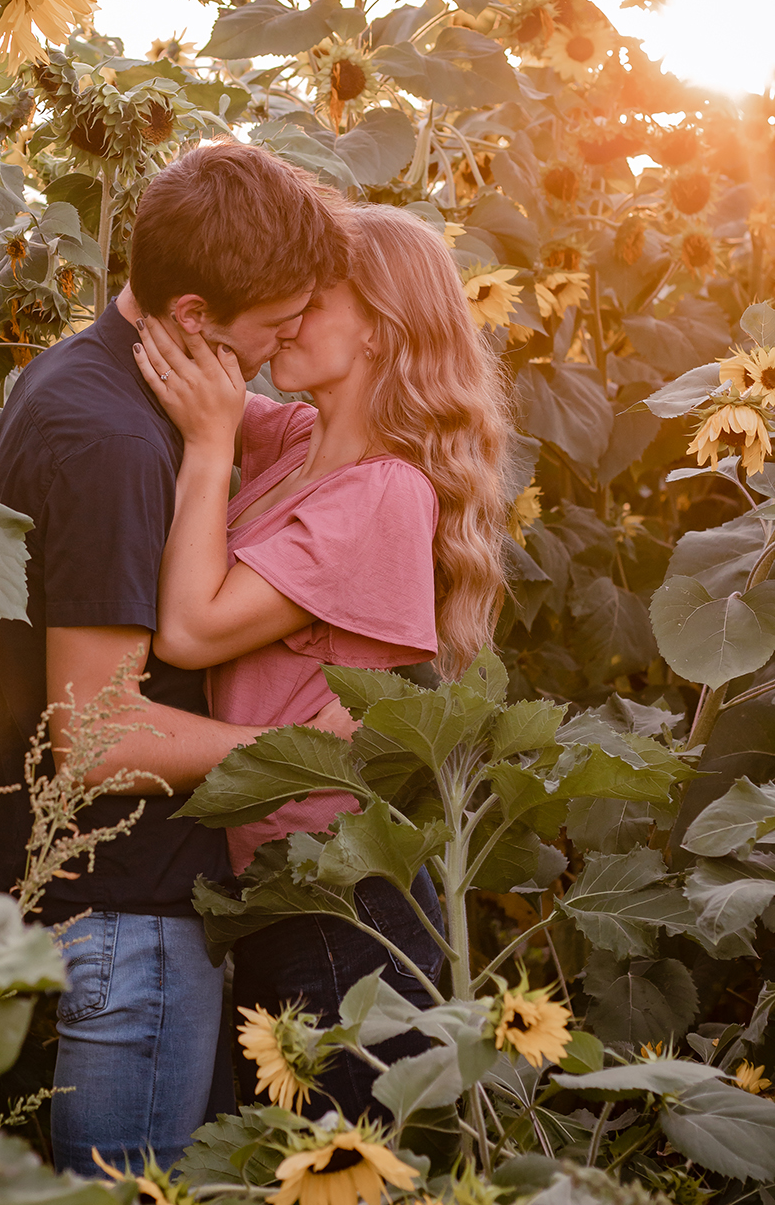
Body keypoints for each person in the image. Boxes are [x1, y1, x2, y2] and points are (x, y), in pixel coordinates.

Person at [0, 140, 353, 1176]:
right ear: (192, 315)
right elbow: (96, 736)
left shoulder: (84, 378)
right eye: (274, 322)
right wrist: (295, 745)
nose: (283, 346)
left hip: (83, 903)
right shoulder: (112, 441)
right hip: (121, 919)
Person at [133, 202, 510, 1121]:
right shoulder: (302, 444)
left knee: (334, 1166)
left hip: (342, 908)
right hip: (287, 882)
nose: (287, 315)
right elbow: (194, 357)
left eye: (313, 299)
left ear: (379, 327)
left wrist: (214, 440)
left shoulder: (384, 493)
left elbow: (188, 630)